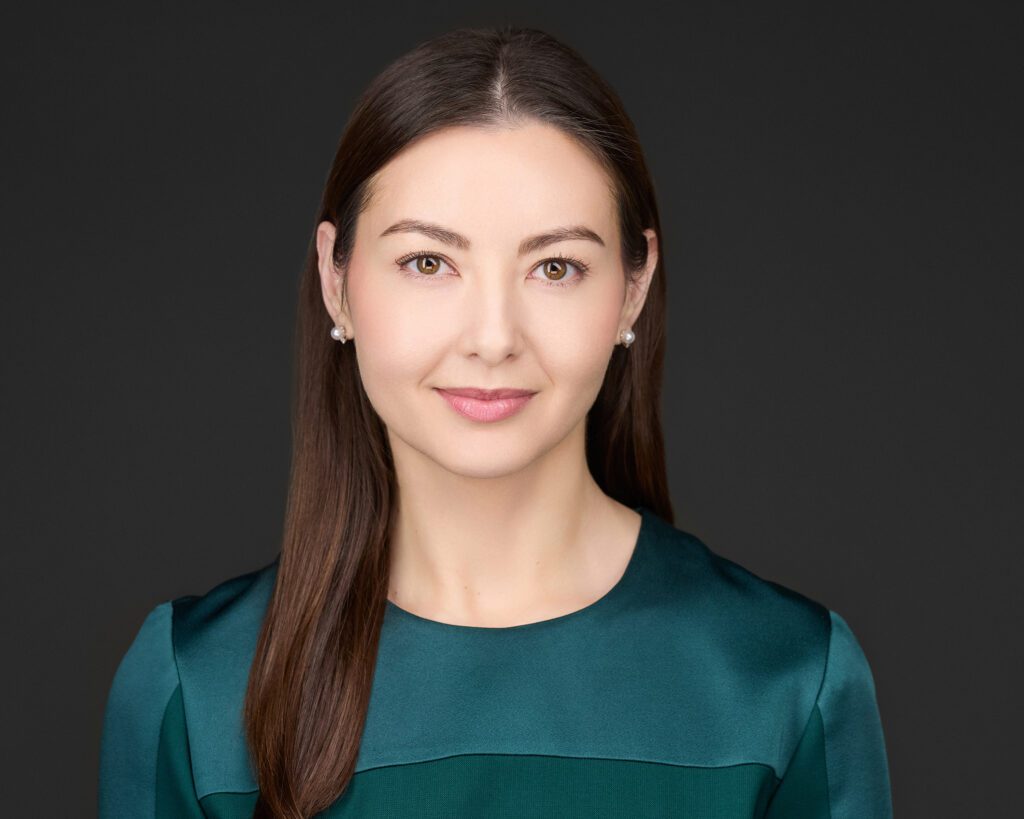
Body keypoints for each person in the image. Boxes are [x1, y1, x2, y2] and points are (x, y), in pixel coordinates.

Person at [98, 24, 893, 819]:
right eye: (428, 262)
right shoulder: (196, 688)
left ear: (633, 289)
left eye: (555, 267)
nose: (491, 338)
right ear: (336, 283)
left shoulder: (785, 680)